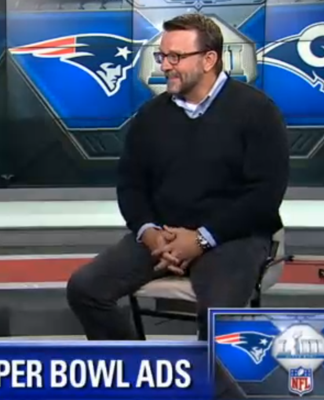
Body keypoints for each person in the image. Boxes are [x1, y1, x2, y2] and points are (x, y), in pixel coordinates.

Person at [66, 13, 289, 341]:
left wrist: (201, 239)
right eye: (162, 56)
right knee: (85, 288)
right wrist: (149, 233)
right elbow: (131, 185)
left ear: (209, 59)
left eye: (176, 57)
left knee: (218, 315)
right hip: (163, 238)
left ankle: (210, 375)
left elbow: (265, 196)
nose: (165, 66)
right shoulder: (150, 116)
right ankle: (135, 368)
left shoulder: (257, 111)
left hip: (233, 237)